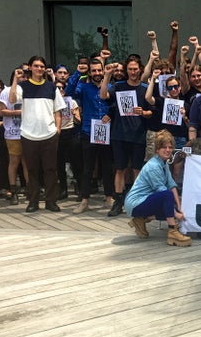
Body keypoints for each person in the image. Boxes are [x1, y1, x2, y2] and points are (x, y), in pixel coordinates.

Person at [9, 56, 66, 213]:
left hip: (49, 135)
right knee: (32, 170)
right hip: (28, 135)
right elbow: (12, 99)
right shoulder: (22, 86)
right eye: (36, 66)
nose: (39, 69)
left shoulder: (51, 87)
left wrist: (57, 130)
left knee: (50, 170)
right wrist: (15, 79)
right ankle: (33, 201)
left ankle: (51, 201)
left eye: (42, 66)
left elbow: (58, 111)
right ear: (31, 68)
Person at [100, 58, 152, 217]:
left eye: (136, 69)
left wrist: (143, 112)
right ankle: (118, 201)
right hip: (119, 134)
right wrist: (107, 75)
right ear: (127, 70)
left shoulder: (144, 88)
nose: (133, 72)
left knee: (137, 169)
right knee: (120, 169)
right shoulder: (119, 86)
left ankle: (136, 200)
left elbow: (152, 111)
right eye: (130, 69)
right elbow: (103, 96)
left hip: (137, 135)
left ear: (140, 70)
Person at [124, 130, 192, 247]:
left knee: (172, 204)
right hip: (135, 203)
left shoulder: (164, 163)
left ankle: (141, 219)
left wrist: (179, 208)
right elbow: (164, 192)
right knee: (167, 197)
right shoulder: (153, 166)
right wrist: (176, 214)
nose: (167, 150)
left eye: (170, 147)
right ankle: (172, 231)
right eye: (163, 147)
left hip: (146, 200)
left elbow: (171, 185)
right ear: (157, 150)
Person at [65, 57, 114, 214]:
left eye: (99, 70)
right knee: (88, 168)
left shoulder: (110, 87)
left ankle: (109, 197)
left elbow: (115, 105)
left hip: (106, 132)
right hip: (88, 131)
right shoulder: (84, 88)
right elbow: (68, 92)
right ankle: (84, 200)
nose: (97, 73)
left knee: (107, 166)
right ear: (90, 72)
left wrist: (111, 115)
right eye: (94, 71)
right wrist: (78, 73)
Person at [0, 71, 27, 205]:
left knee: (27, 162)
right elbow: (1, 110)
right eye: (19, 74)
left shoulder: (29, 89)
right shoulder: (6, 91)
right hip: (13, 132)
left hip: (28, 132)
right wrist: (18, 112)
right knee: (14, 161)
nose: (23, 77)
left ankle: (30, 189)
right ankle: (13, 190)